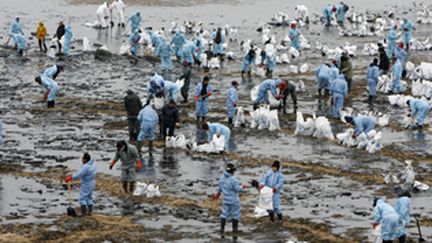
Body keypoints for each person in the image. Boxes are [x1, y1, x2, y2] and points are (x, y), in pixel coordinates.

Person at [213, 163, 246, 235]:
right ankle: (234, 229)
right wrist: (243, 187)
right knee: (235, 214)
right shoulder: (234, 179)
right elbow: (237, 189)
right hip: (234, 201)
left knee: (224, 214)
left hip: (225, 200)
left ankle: (222, 229)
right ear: (232, 171)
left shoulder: (222, 178)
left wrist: (217, 195)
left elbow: (220, 188)